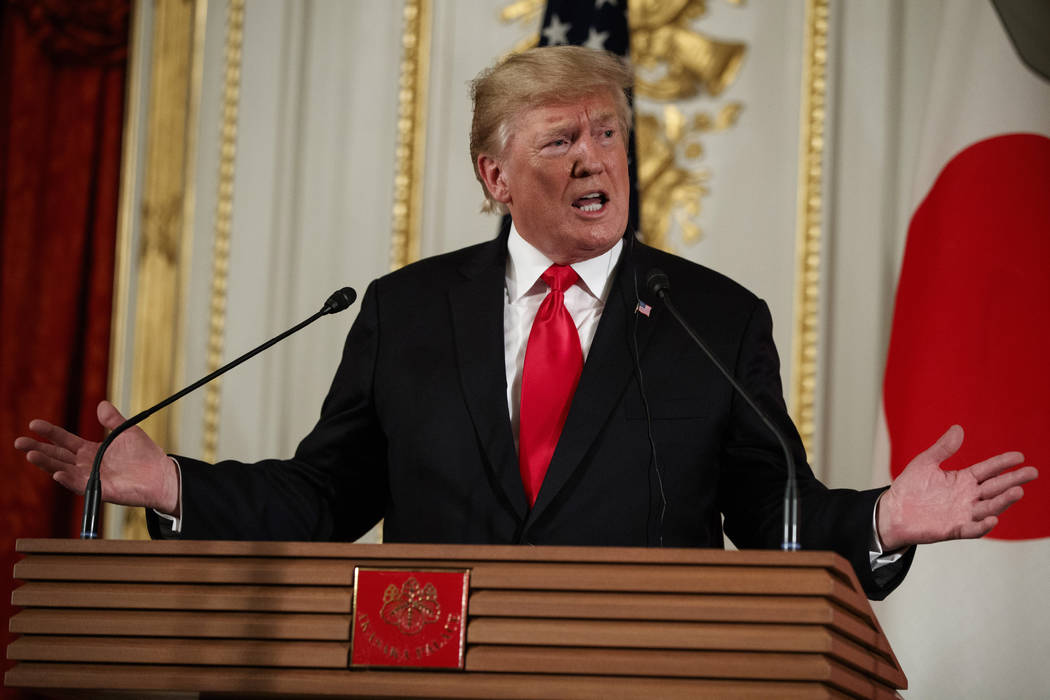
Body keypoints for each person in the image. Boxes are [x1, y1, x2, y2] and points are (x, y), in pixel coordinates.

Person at [15, 47, 1036, 600]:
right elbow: (328, 497)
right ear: (495, 176)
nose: (598, 158)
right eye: (562, 140)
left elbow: (774, 518)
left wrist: (883, 522)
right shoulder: (408, 311)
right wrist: (170, 482)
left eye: (609, 134)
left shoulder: (714, 319)